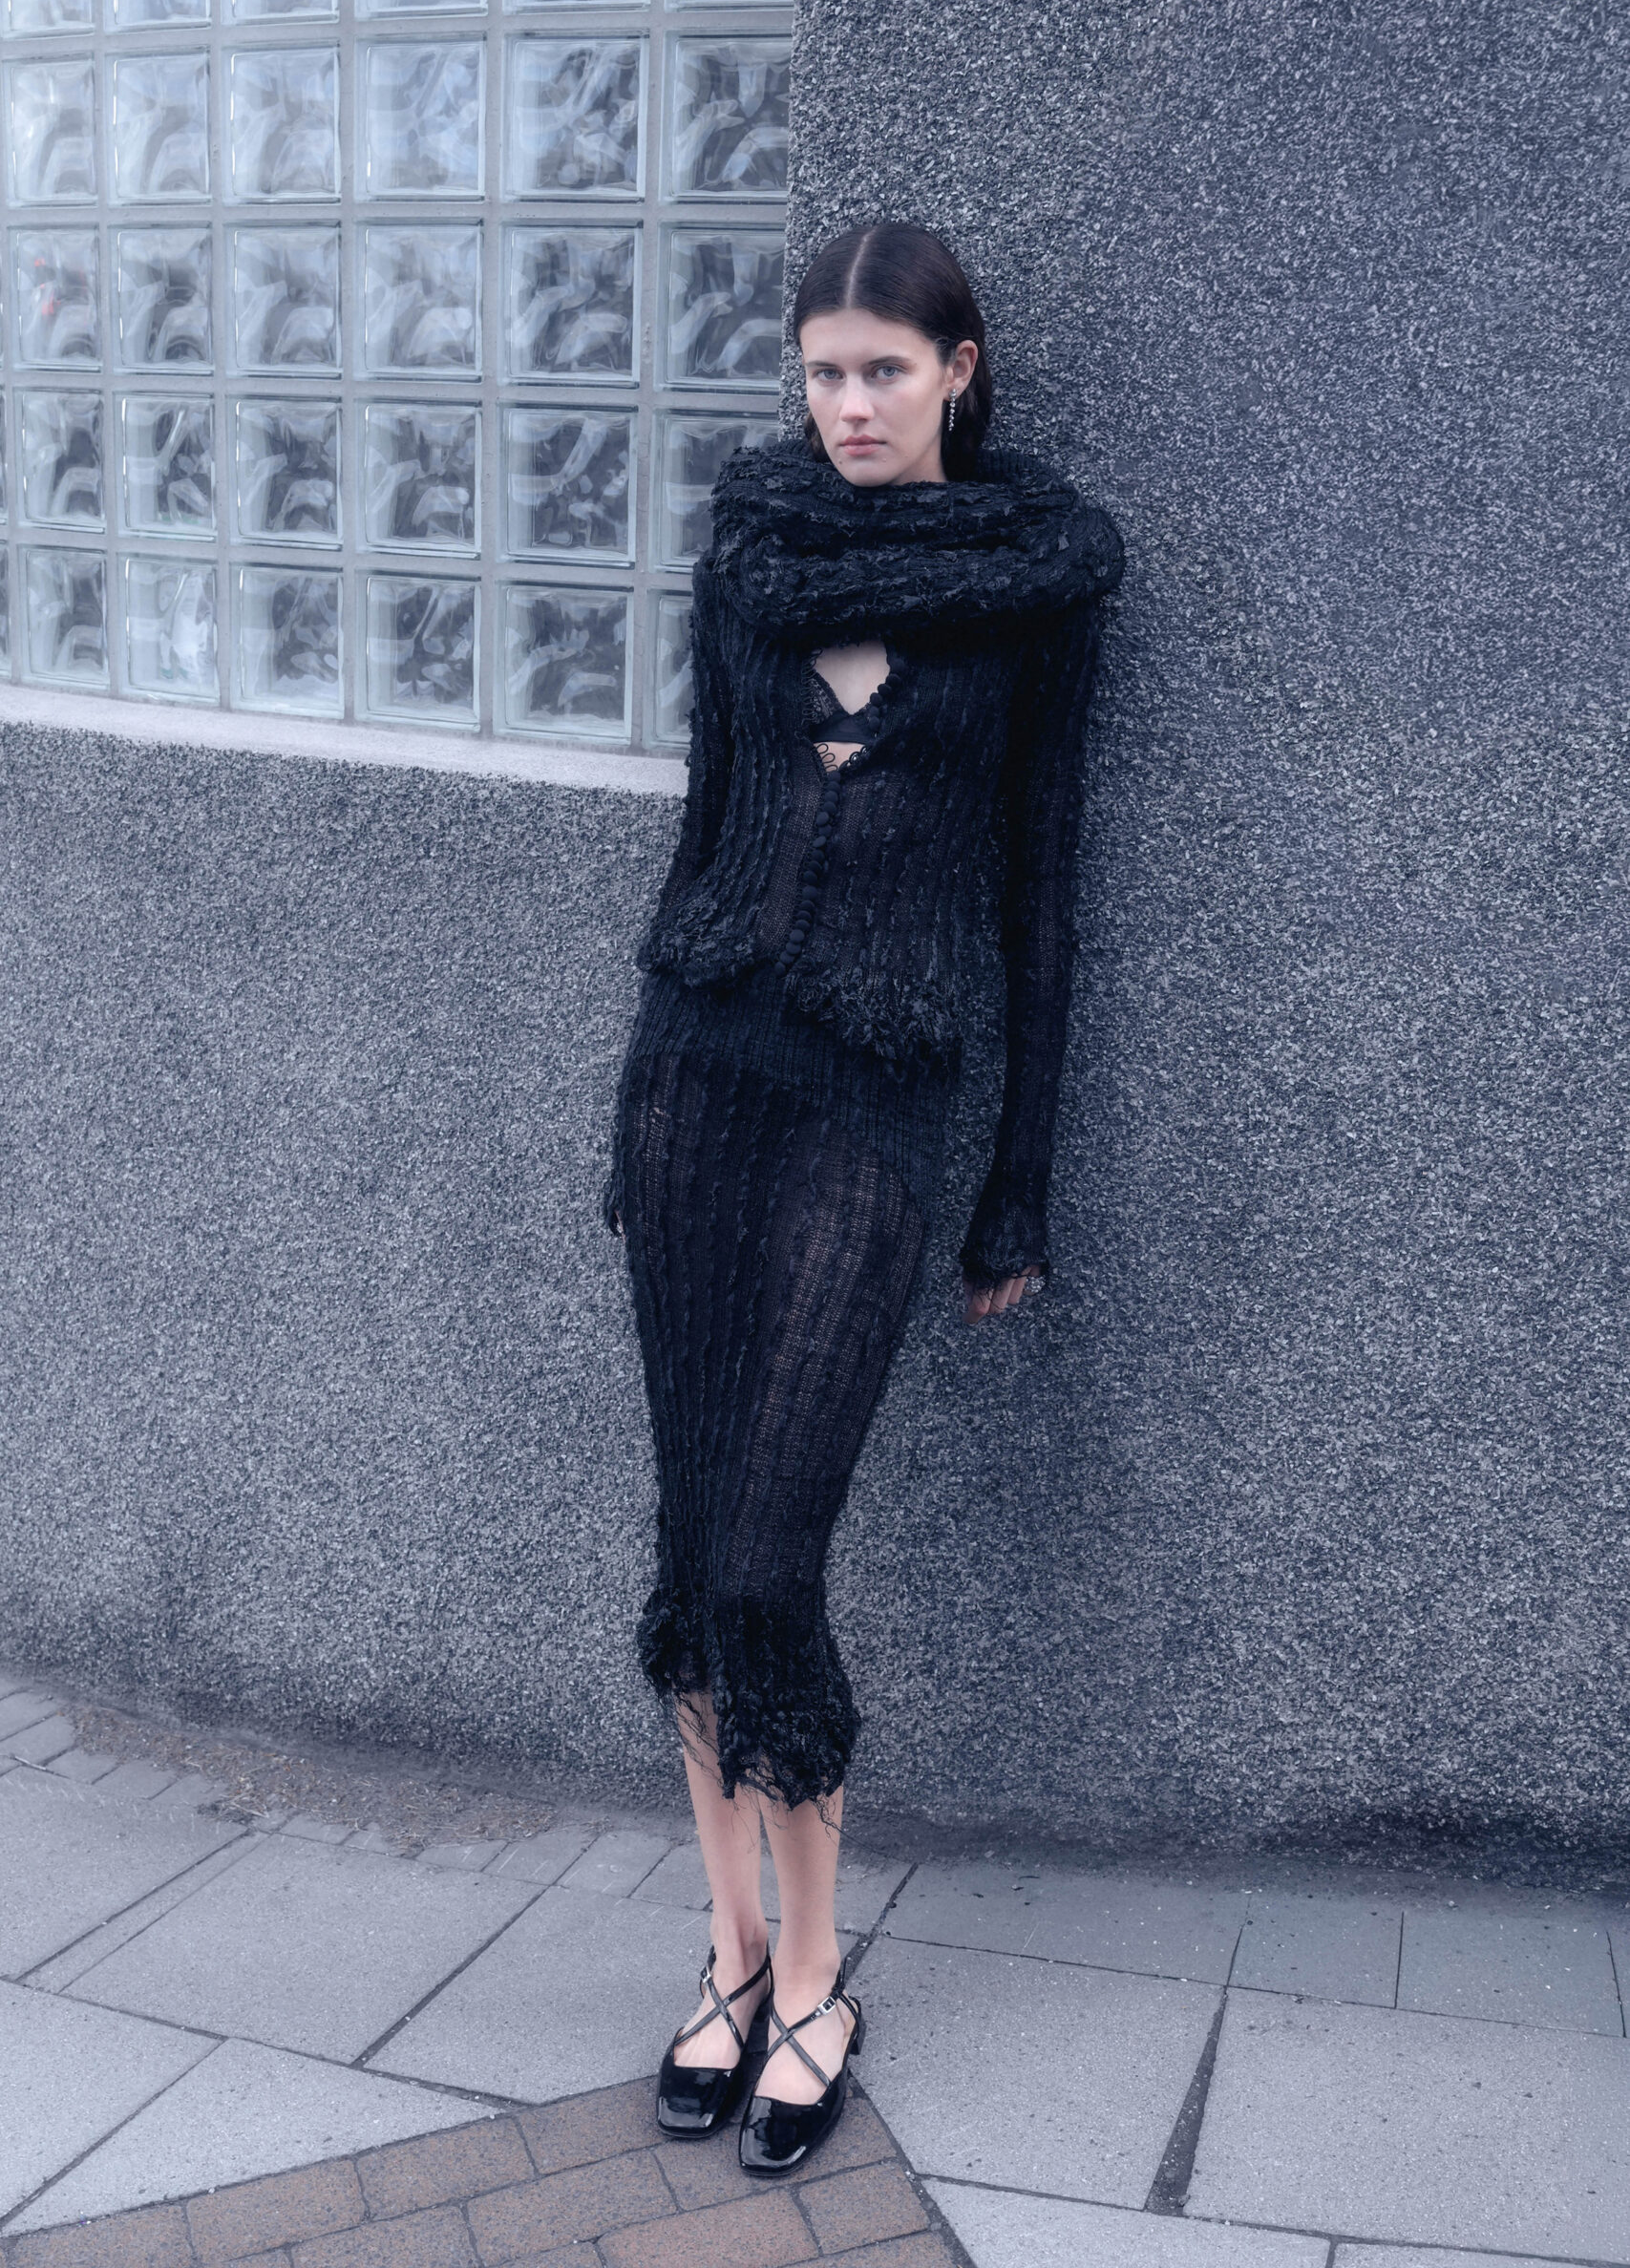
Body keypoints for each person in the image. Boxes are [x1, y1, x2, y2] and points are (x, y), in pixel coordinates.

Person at [602, 221, 1124, 2174]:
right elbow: (704, 821)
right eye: (821, 371)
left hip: (872, 1106)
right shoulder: (751, 547)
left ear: (958, 372)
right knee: (688, 1561)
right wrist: (631, 1101)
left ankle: (820, 1975)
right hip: (698, 1082)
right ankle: (732, 1953)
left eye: (882, 372)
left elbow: (1043, 896)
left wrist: (1017, 1185)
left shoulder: (1033, 581)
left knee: (767, 1563)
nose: (845, 407)